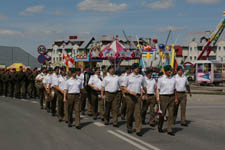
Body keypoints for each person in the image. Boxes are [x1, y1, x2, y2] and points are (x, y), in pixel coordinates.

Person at [121, 63, 147, 137]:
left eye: (139, 68)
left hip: (138, 97)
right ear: (133, 69)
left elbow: (144, 86)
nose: (138, 69)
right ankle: (129, 127)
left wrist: (145, 94)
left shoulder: (141, 77)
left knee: (138, 113)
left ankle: (138, 129)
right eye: (136, 68)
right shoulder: (128, 77)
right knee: (130, 113)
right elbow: (123, 87)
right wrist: (130, 91)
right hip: (130, 96)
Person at [157, 65, 178, 136]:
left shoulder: (173, 79)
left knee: (171, 114)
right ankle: (160, 126)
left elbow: (175, 89)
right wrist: (157, 98)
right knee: (162, 114)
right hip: (163, 97)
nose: (170, 71)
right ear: (165, 71)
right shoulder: (160, 79)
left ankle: (170, 129)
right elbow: (158, 89)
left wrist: (175, 98)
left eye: (171, 70)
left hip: (171, 97)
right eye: (169, 70)